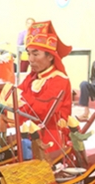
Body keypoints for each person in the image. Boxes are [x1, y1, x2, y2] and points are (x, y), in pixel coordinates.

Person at [18, 20, 73, 157]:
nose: (30, 59)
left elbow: (39, 111)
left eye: (35, 54)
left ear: (50, 56)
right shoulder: (32, 77)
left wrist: (18, 101)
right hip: (30, 135)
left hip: (51, 140)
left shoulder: (59, 80)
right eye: (29, 53)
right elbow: (14, 99)